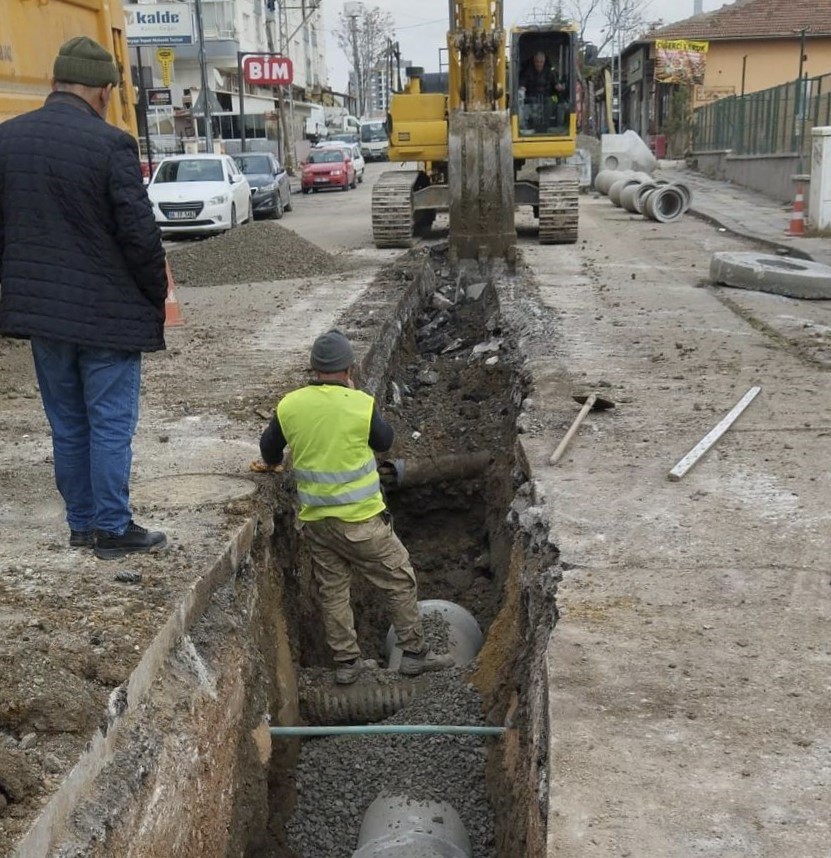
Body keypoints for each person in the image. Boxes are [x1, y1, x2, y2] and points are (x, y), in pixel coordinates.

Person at [0, 37, 168, 559]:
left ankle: (81, 524)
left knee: (68, 424)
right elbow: (139, 237)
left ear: (54, 83)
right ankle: (114, 531)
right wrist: (153, 294)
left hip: (45, 318)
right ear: (102, 92)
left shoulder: (7, 140)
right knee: (110, 424)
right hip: (108, 316)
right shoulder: (111, 145)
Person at [259, 330, 455, 685]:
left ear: (314, 369)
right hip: (362, 521)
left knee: (333, 590)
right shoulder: (359, 404)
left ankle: (347, 663)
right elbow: (385, 440)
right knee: (398, 580)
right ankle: (413, 655)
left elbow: (269, 450)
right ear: (349, 368)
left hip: (318, 524)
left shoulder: (290, 404)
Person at [518, 51, 569, 129]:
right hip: (531, 99)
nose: (539, 64)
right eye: (537, 62)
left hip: (548, 98)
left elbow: (556, 84)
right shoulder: (527, 72)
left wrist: (560, 87)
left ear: (544, 62)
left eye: (541, 62)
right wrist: (522, 89)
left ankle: (551, 125)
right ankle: (527, 126)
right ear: (534, 61)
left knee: (558, 103)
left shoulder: (550, 72)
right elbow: (522, 85)